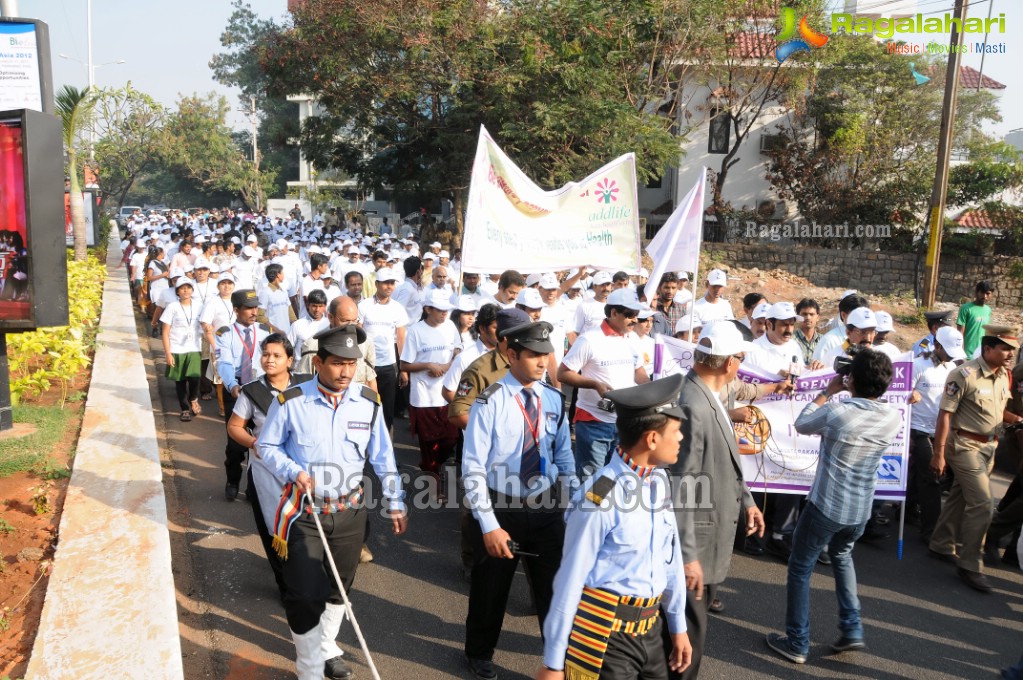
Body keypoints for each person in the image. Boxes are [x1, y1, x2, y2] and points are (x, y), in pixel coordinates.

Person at [258, 324, 407, 680]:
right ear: (318, 363)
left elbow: (383, 456)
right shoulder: (291, 401)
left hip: (350, 512)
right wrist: (293, 470)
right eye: (337, 363)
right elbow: (266, 446)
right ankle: (309, 668)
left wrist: (396, 501)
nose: (345, 372)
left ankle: (326, 647)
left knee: (339, 587)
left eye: (351, 364)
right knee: (304, 593)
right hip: (303, 513)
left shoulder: (368, 403)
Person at [538, 375, 693, 680]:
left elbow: (670, 558)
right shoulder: (601, 496)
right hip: (607, 635)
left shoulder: (659, 481)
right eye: (676, 431)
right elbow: (570, 580)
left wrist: (678, 626)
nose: (681, 438)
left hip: (651, 628)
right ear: (651, 439)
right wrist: (553, 663)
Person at [765, 349, 901, 665]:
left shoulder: (838, 412)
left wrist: (827, 392)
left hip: (826, 506)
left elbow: (801, 424)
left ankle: (797, 642)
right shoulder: (892, 416)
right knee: (842, 555)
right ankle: (851, 628)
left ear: (850, 378)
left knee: (800, 568)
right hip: (861, 509)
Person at [462, 320, 578, 680]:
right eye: (534, 355)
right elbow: (472, 468)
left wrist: (575, 503)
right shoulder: (490, 401)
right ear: (511, 354)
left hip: (546, 507)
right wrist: (489, 524)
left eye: (547, 354)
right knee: (491, 589)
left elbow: (563, 457)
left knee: (555, 589)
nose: (543, 362)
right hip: (503, 506)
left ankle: (558, 659)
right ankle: (479, 654)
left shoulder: (554, 399)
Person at [670, 321, 765, 679]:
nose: (740, 364)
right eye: (740, 358)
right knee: (685, 641)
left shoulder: (708, 395)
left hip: (708, 538)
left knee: (690, 633)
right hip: (696, 545)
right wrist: (687, 554)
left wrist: (748, 502)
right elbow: (681, 483)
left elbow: (726, 462)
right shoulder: (693, 402)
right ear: (729, 363)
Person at [929, 325, 1021, 592]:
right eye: (1004, 348)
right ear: (988, 348)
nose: (1010, 354)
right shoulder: (963, 374)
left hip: (989, 448)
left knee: (960, 495)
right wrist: (938, 453)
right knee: (982, 503)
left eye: (1013, 349)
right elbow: (945, 414)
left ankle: (941, 543)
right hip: (963, 445)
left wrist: (1015, 419)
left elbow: (998, 409)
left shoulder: (1004, 376)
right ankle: (970, 565)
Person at [226, 333, 312, 603]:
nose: (270, 360)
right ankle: (285, 584)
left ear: (290, 360)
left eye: (277, 355)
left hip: (301, 469)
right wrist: (254, 443)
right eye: (266, 354)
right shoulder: (252, 391)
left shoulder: (306, 384)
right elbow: (234, 426)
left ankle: (305, 575)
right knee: (275, 529)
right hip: (266, 471)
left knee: (304, 526)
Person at [558, 288, 649, 479]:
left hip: (624, 423)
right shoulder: (589, 339)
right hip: (594, 423)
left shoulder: (631, 339)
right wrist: (595, 384)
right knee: (593, 483)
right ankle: (584, 509)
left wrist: (652, 386)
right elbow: (563, 373)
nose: (635, 320)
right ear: (614, 313)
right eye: (630, 315)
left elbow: (638, 371)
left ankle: (606, 509)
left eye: (636, 315)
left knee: (614, 479)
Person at [907, 326, 966, 542]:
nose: (951, 356)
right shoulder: (918, 364)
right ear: (937, 345)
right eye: (947, 351)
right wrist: (910, 393)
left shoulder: (951, 368)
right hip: (918, 429)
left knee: (923, 474)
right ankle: (931, 531)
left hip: (940, 430)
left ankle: (907, 509)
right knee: (932, 476)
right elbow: (902, 392)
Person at [401, 289, 462, 492]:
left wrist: (448, 364)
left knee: (450, 439)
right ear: (428, 309)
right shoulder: (416, 331)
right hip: (423, 397)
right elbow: (405, 365)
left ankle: (430, 466)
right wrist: (428, 365)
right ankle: (434, 484)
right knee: (428, 442)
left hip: (446, 394)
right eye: (440, 310)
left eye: (447, 310)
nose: (444, 314)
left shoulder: (451, 326)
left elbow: (458, 349)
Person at [215, 289, 272, 500]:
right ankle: (232, 479)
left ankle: (253, 487)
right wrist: (231, 385)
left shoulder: (265, 331)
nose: (253, 311)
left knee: (260, 439)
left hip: (261, 388)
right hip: (237, 388)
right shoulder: (225, 334)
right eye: (248, 308)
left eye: (255, 307)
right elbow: (225, 363)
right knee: (237, 443)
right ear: (236, 309)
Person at [358, 267, 408, 433]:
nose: (389, 286)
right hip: (366, 364)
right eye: (386, 283)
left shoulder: (398, 308)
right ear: (377, 283)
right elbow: (358, 334)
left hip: (389, 364)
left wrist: (403, 369)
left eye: (392, 283)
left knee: (387, 409)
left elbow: (401, 340)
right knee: (365, 405)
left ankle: (385, 446)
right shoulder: (364, 306)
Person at [161, 277, 204, 422]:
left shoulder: (199, 306)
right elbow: (165, 332)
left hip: (194, 347)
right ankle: (184, 409)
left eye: (188, 287)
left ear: (192, 290)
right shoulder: (172, 307)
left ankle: (193, 398)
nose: (185, 290)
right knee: (180, 381)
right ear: (177, 291)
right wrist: (168, 353)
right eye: (182, 288)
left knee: (194, 377)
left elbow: (206, 325)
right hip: (177, 348)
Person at [957, 280, 995, 358]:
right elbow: (959, 333)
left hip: (981, 355)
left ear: (991, 295)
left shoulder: (988, 310)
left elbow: (986, 332)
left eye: (988, 293)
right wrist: (961, 354)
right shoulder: (965, 308)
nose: (985, 296)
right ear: (976, 293)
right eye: (982, 292)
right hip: (966, 355)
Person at [794, 298, 821, 365]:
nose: (808, 317)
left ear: (818, 317)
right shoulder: (790, 340)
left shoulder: (824, 340)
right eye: (804, 314)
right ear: (798, 317)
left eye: (811, 314)